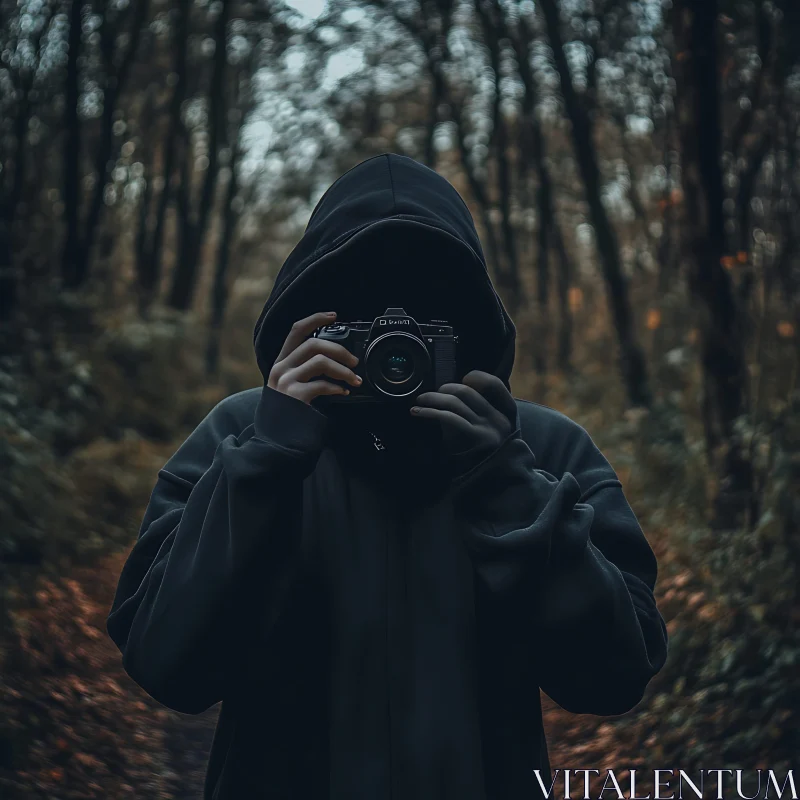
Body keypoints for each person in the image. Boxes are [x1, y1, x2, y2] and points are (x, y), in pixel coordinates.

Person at [106, 153, 669, 800]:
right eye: (365, 323)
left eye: (423, 325)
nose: (393, 353)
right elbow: (166, 666)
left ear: (467, 328)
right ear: (315, 320)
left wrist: (504, 482)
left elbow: (615, 676)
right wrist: (267, 457)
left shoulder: (538, 446)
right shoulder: (244, 436)